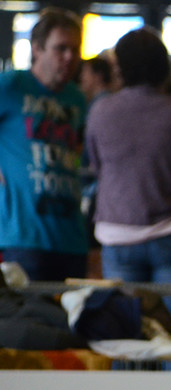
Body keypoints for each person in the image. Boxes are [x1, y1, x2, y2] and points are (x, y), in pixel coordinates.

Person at [85, 28, 171, 333]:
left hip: (117, 232)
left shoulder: (100, 111)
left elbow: (96, 165)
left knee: (126, 328)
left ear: (120, 67)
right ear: (163, 65)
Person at [0, 8, 89, 281]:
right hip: (24, 236)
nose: (69, 57)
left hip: (71, 236)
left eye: (75, 50)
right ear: (37, 49)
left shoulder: (77, 99)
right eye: (60, 48)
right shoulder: (12, 85)